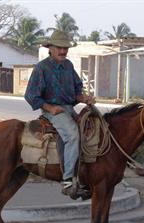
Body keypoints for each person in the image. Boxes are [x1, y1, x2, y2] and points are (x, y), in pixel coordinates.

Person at [24, 30, 94, 195]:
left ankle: (83, 177)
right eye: (59, 48)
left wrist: (84, 98)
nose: (63, 51)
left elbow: (77, 88)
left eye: (65, 48)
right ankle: (68, 180)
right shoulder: (41, 68)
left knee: (91, 131)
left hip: (69, 109)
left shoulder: (68, 65)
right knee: (72, 135)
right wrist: (50, 108)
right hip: (53, 112)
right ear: (50, 48)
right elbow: (30, 95)